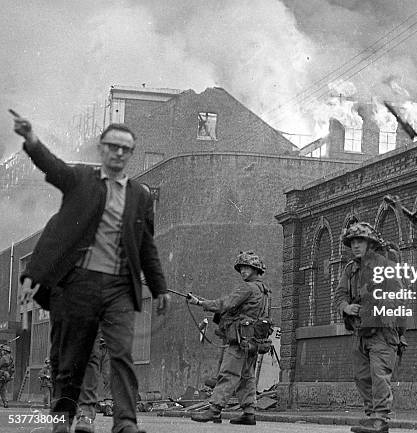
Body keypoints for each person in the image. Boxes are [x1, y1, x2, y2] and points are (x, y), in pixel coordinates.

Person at [13, 116, 170, 433]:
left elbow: (146, 246)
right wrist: (31, 139)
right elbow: (52, 165)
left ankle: (125, 422)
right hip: (80, 282)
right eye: (113, 147)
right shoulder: (81, 178)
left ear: (131, 154)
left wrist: (160, 287)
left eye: (126, 149)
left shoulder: (140, 195)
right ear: (101, 149)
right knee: (72, 357)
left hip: (119, 287)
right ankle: (63, 418)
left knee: (121, 352)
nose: (119, 154)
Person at [333, 222, 405, 433]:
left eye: (360, 241)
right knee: (362, 376)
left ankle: (380, 419)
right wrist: (347, 307)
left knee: (379, 374)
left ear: (370, 243)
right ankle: (371, 417)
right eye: (353, 242)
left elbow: (399, 297)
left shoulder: (386, 266)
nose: (355, 246)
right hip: (360, 331)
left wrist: (377, 308)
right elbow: (340, 294)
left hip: (382, 331)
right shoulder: (351, 269)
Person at [187, 251, 271, 426]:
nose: (243, 271)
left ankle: (214, 409)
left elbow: (226, 304)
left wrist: (200, 303)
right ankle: (249, 413)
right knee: (247, 376)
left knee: (228, 373)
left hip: (240, 340)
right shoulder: (264, 290)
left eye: (246, 267)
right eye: (241, 268)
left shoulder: (247, 287)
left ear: (256, 269)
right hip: (254, 341)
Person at [76, 332, 112, 433]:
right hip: (93, 346)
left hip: (108, 347)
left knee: (108, 376)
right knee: (91, 377)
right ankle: (87, 411)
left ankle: (108, 405)